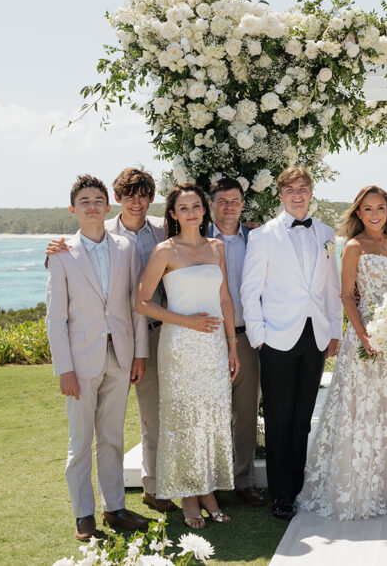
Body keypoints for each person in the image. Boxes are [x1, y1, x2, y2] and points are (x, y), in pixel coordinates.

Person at [47, 167, 174, 513]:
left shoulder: (146, 239)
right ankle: (84, 514)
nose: (137, 201)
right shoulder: (74, 244)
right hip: (88, 354)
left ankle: (133, 500)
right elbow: (56, 315)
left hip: (137, 346)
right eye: (85, 202)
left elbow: (137, 305)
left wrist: (138, 355)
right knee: (83, 439)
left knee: (129, 431)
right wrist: (64, 368)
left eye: (97, 201)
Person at [300, 186, 387, 519]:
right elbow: (346, 296)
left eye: (380, 208)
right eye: (367, 209)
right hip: (365, 336)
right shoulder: (353, 247)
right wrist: (365, 334)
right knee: (362, 407)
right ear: (358, 213)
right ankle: (358, 487)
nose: (374, 214)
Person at [135, 183, 240, 529]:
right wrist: (187, 321)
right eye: (183, 208)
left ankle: (208, 492)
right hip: (179, 345)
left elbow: (224, 298)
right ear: (174, 214)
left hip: (213, 347)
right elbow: (142, 302)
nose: (191, 212)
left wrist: (232, 345)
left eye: (196, 206)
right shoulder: (165, 251)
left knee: (211, 418)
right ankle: (188, 497)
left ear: (204, 210)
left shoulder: (216, 247)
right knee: (183, 419)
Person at [240, 167, 342, 521]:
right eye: (290, 189)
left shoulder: (327, 233)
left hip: (315, 336)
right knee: (280, 419)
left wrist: (335, 331)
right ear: (280, 195)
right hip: (277, 339)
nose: (297, 194)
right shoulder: (263, 236)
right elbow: (249, 291)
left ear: (311, 192)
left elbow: (331, 287)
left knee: (302, 420)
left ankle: (297, 488)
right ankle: (281, 494)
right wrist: (259, 339)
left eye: (303, 188)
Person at [207, 178, 264, 507]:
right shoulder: (197, 239)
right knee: (212, 411)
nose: (229, 206)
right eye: (222, 200)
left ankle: (242, 480)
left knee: (245, 412)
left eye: (235, 200)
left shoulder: (257, 238)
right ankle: (211, 481)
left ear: (243, 204)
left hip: (247, 337)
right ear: (212, 204)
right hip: (209, 336)